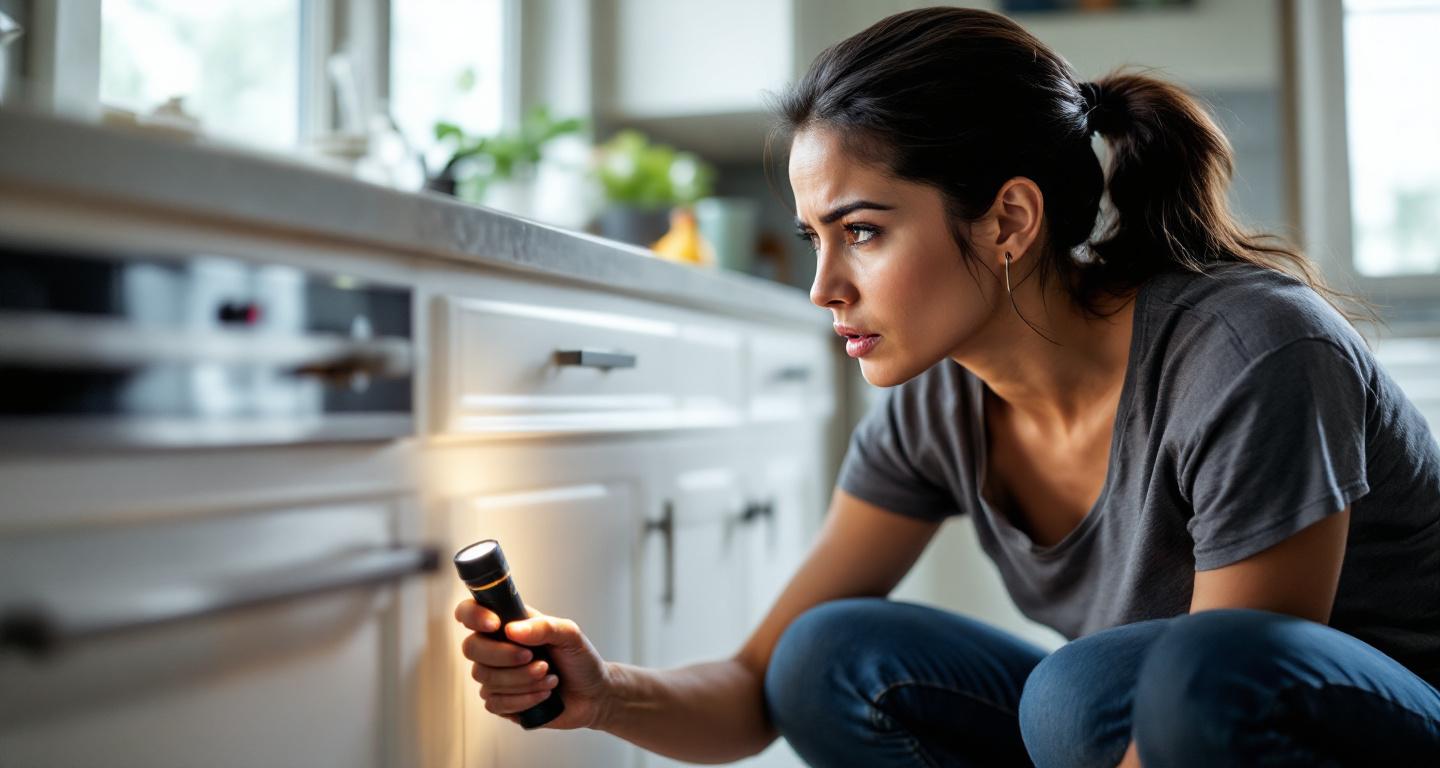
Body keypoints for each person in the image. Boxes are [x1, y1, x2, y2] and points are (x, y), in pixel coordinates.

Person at [454, 7, 1440, 766]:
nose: (823, 287)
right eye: (816, 238)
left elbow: (1220, 689)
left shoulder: (1249, 349)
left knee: (1092, 693)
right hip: (1164, 714)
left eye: (865, 232)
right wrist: (602, 692)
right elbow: (759, 685)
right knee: (828, 655)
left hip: (1372, 721)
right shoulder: (934, 409)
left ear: (1009, 220)